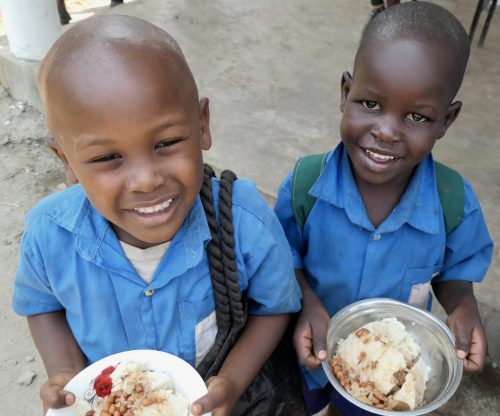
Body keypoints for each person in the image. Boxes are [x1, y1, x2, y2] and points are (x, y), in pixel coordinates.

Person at [12, 15, 304, 416]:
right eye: (107, 157)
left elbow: (276, 307)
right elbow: (42, 304)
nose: (147, 180)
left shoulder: (245, 222)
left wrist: (232, 382)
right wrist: (66, 373)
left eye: (166, 142)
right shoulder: (49, 235)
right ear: (66, 160)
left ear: (202, 125)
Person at [274, 2, 493, 415]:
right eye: (370, 104)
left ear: (446, 120)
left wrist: (463, 307)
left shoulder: (453, 201)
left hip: (386, 374)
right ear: (345, 93)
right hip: (309, 356)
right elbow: (283, 259)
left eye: (416, 116)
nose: (387, 131)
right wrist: (305, 300)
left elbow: (455, 273)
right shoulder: (306, 185)